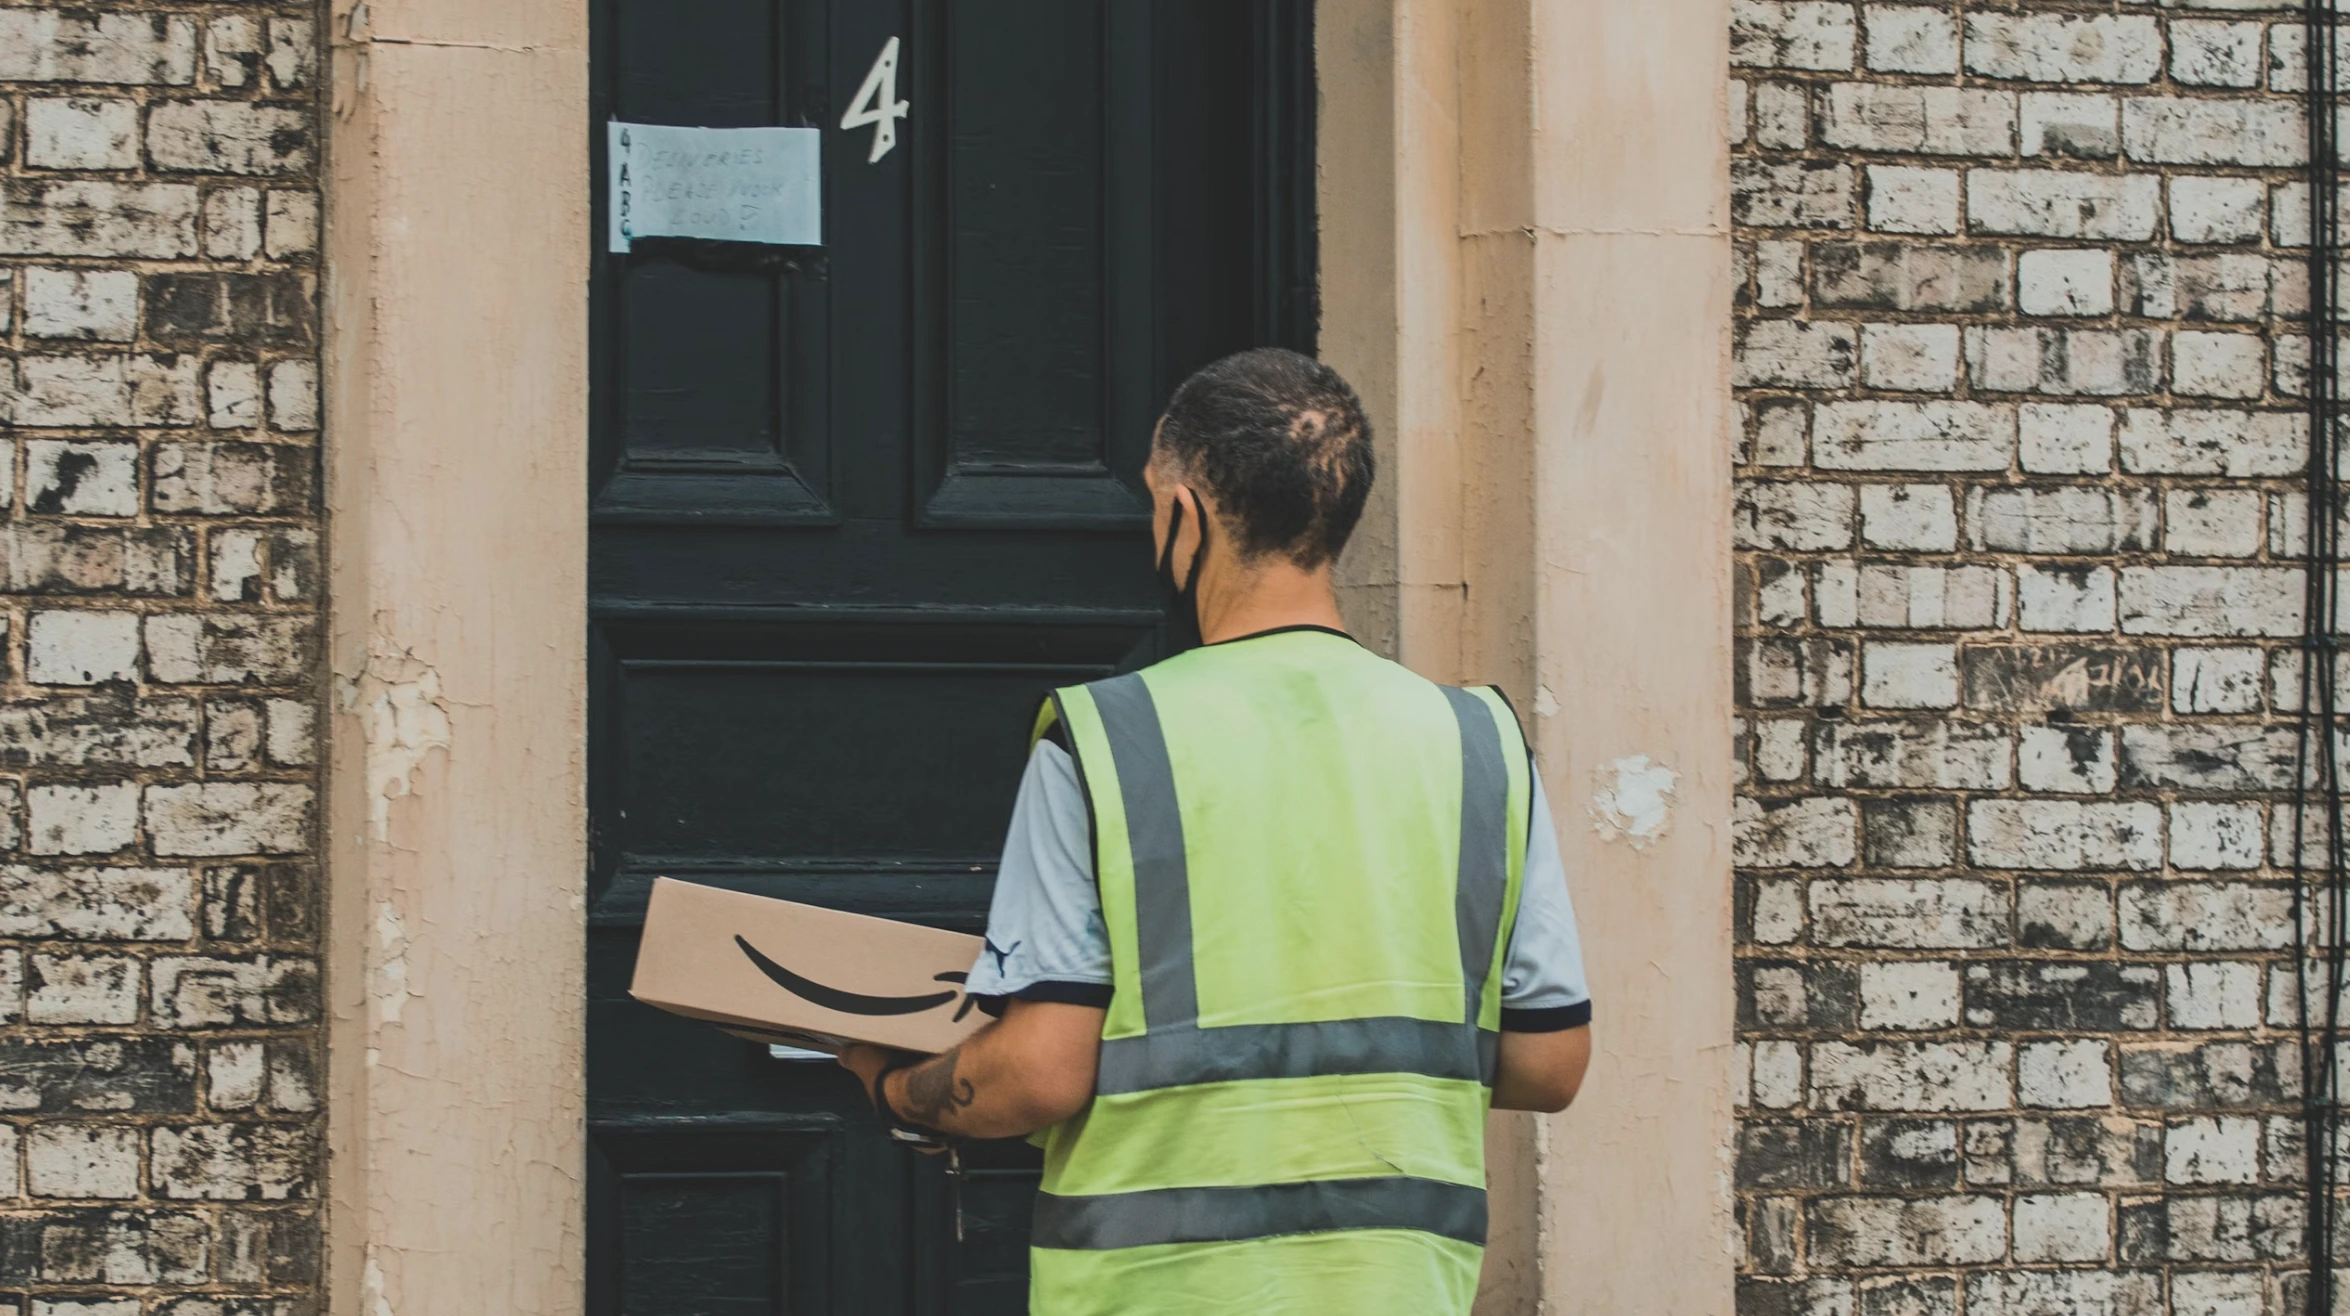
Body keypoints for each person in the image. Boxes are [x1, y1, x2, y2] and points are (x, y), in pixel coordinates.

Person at [841, 347, 1592, 1315]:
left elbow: (1036, 1072)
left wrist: (899, 1092)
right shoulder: (1480, 742)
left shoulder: (1108, 737)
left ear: (1182, 511)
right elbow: (1548, 1061)